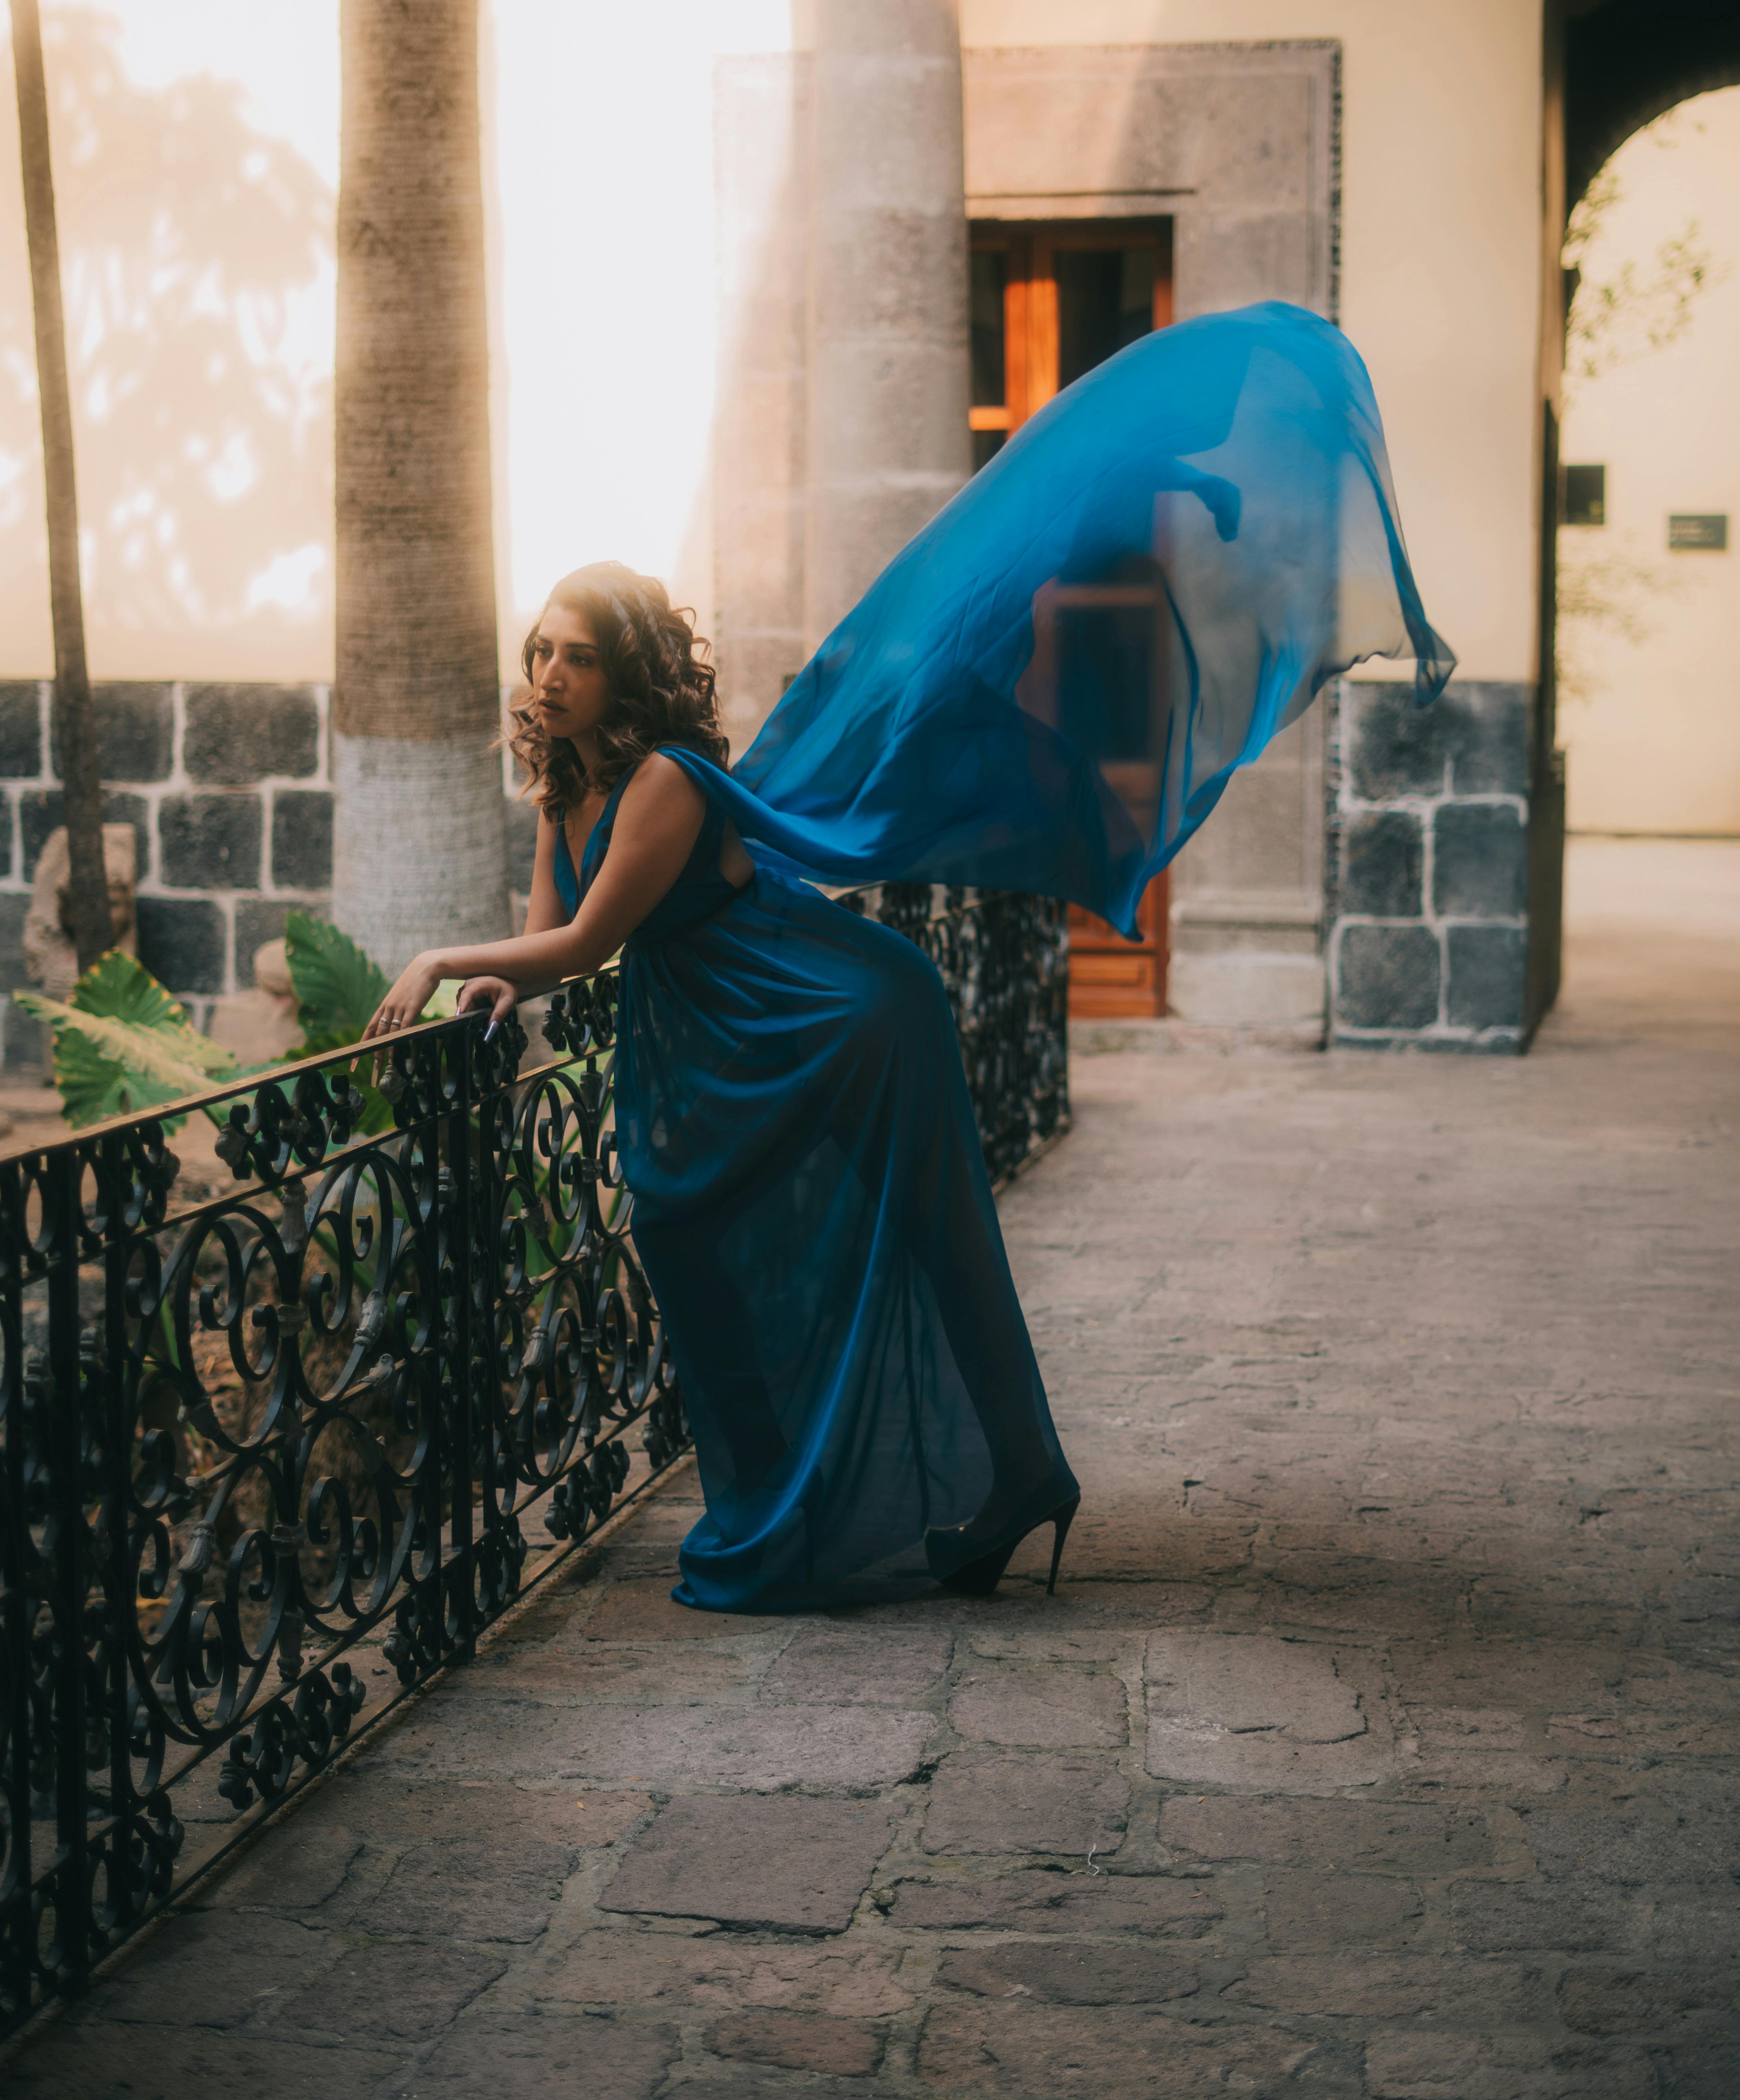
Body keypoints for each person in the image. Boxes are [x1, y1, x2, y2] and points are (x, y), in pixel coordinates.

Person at [373, 300, 1453, 1614]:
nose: (546, 674)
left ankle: (1009, 1479)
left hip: (843, 1014)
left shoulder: (664, 779)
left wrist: (441, 958)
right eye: (539, 650)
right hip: (720, 1038)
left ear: (629, 675)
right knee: (690, 1243)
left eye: (576, 657)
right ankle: (801, 1500)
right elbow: (563, 940)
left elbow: (592, 935)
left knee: (935, 1243)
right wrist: (504, 970)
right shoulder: (567, 785)